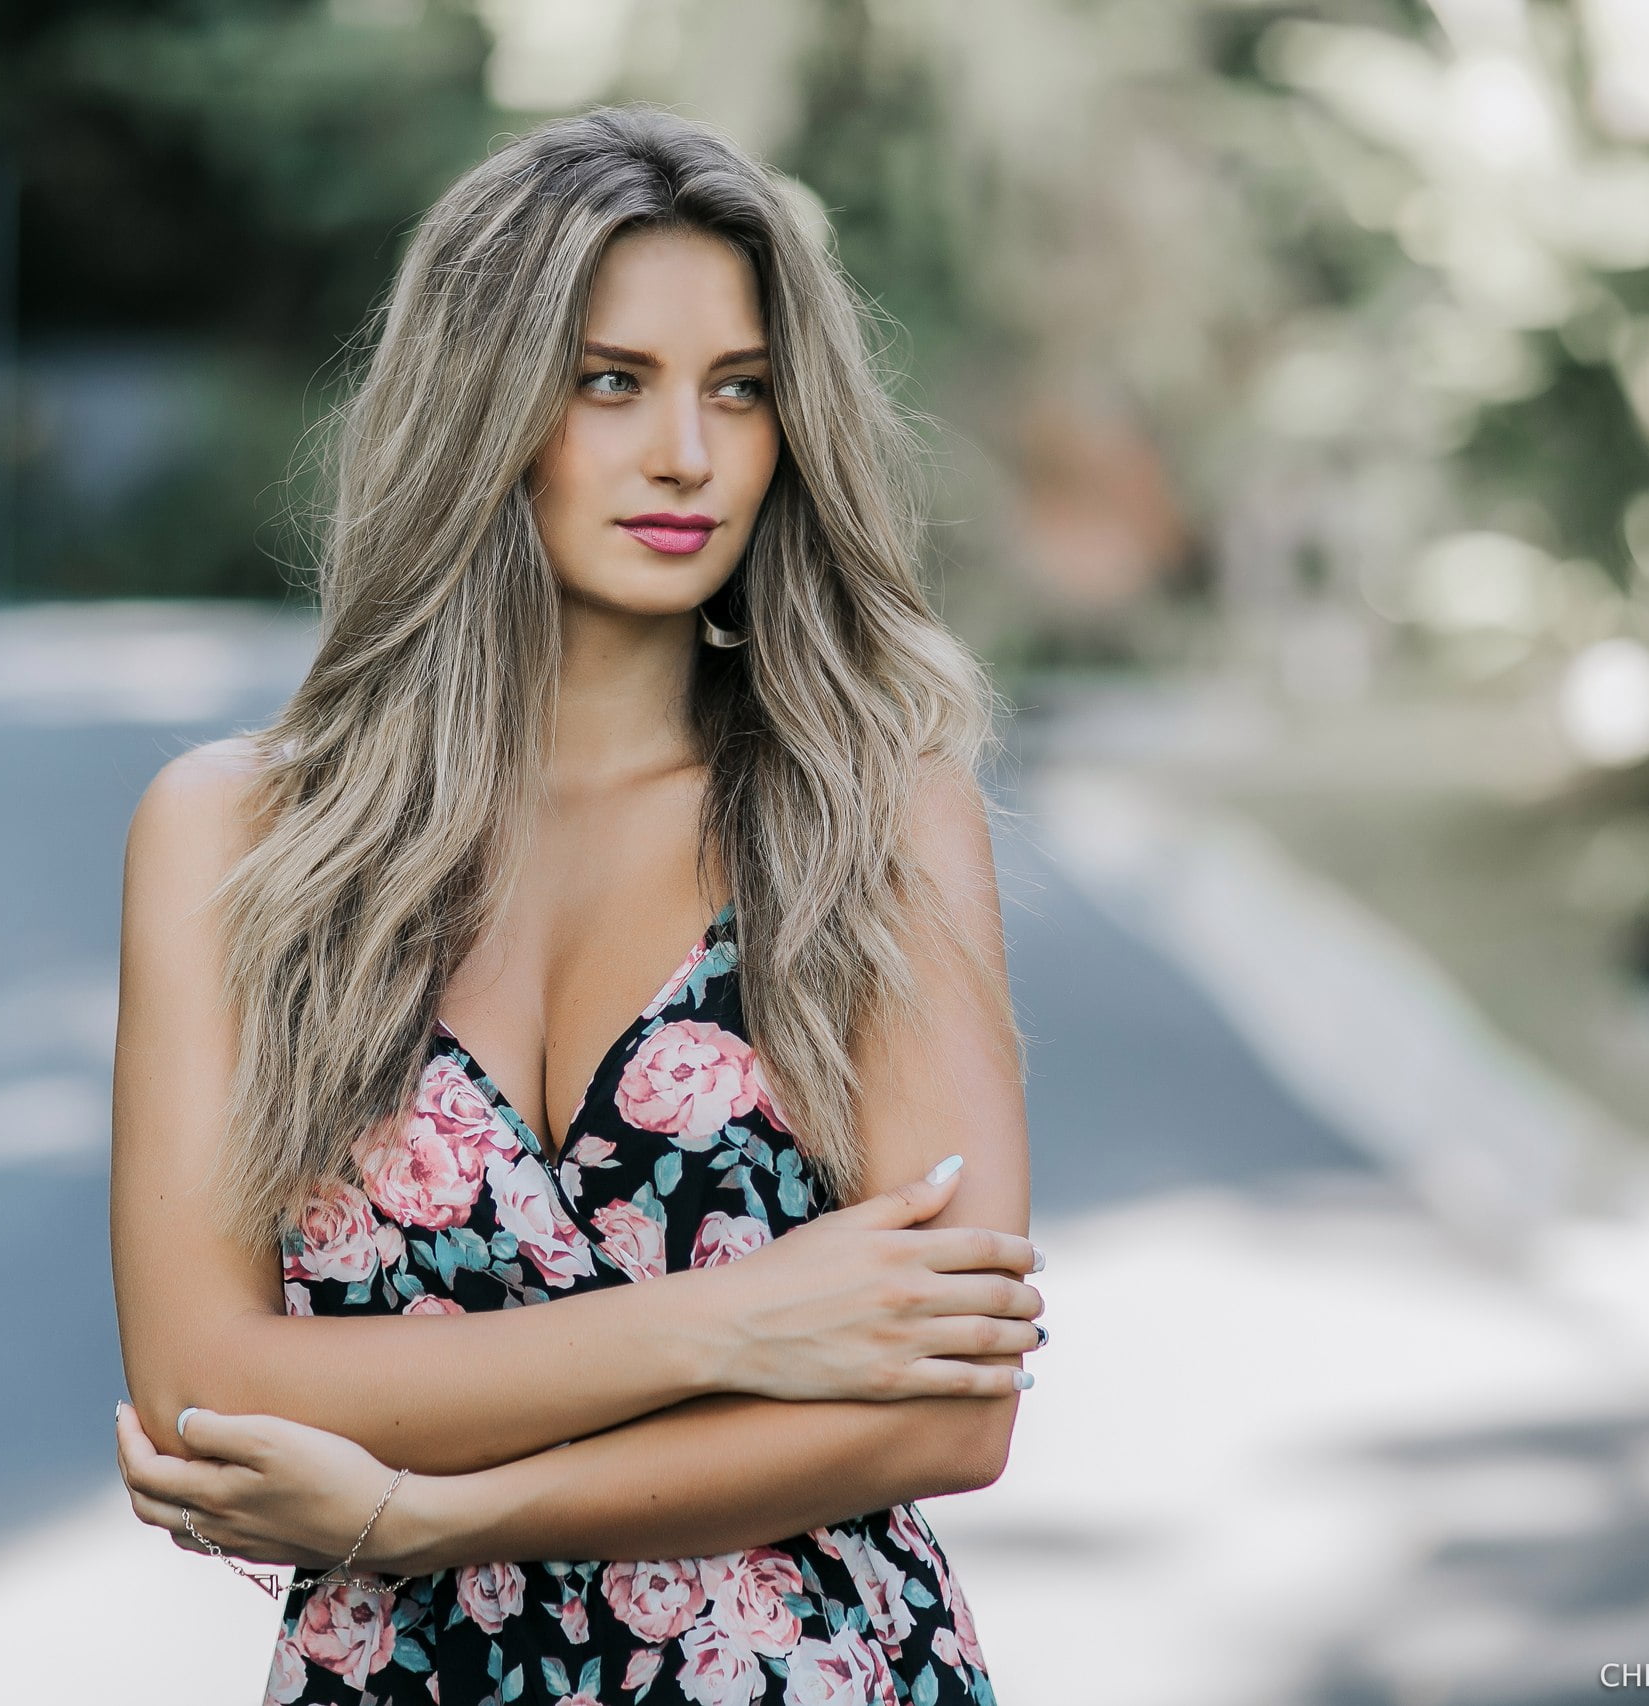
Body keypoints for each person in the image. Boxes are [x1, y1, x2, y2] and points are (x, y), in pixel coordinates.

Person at [108, 105, 1040, 1706]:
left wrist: (429, 1509)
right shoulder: (239, 834)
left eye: (737, 390)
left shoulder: (877, 818)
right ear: (485, 405)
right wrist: (740, 1323)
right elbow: (208, 1390)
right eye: (611, 380)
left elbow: (947, 1409)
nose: (686, 451)